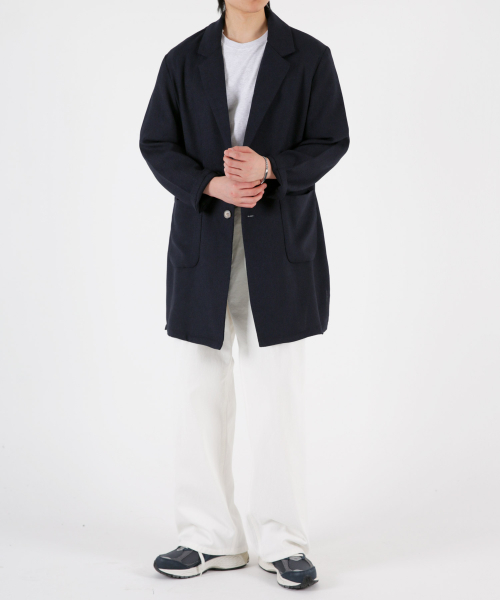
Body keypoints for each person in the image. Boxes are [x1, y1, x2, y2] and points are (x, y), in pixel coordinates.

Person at [139, 0, 349, 590]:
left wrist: (271, 167)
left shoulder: (310, 57)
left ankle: (283, 542)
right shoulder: (183, 60)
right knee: (198, 387)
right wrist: (208, 183)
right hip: (204, 244)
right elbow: (156, 142)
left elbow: (332, 138)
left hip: (278, 246)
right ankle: (209, 536)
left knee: (277, 390)